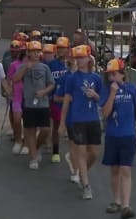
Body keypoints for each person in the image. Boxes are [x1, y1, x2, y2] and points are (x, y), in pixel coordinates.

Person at [100, 59, 136, 219]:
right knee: (115, 169)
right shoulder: (106, 90)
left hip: (128, 135)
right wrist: (112, 94)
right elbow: (105, 114)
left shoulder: (131, 89)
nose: (111, 77)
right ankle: (116, 200)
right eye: (109, 74)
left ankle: (126, 205)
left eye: (114, 74)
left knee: (126, 169)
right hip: (112, 135)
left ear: (122, 74)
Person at [59, 45, 102, 200]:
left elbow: (102, 99)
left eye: (82, 57)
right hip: (78, 119)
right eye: (77, 58)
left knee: (95, 153)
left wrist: (96, 95)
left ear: (89, 58)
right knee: (82, 152)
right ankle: (86, 185)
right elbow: (66, 101)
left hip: (93, 119)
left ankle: (83, 174)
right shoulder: (72, 78)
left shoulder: (96, 78)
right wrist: (62, 123)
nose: (79, 61)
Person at [12, 41, 55, 170]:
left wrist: (44, 92)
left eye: (38, 51)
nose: (36, 53)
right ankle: (33, 157)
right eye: (33, 51)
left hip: (43, 103)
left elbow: (51, 84)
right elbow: (15, 79)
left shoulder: (45, 67)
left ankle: (35, 147)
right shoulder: (23, 66)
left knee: (46, 130)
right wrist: (26, 68)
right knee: (30, 130)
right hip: (29, 104)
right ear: (28, 53)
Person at [54, 51, 79, 183]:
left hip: (86, 117)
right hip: (71, 116)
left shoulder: (88, 76)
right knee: (74, 144)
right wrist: (68, 98)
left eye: (76, 58)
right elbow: (56, 97)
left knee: (86, 148)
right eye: (71, 58)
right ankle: (76, 171)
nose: (74, 60)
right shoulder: (64, 78)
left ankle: (77, 163)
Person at [46, 37, 69, 163]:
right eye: (58, 48)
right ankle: (55, 151)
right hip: (54, 100)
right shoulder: (51, 65)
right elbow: (47, 82)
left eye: (63, 48)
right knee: (55, 126)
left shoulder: (71, 64)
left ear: (67, 49)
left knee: (67, 126)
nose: (60, 50)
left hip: (69, 100)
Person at [2, 32, 29, 138]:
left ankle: (22, 132)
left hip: (25, 89)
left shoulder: (26, 53)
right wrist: (6, 88)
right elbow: (6, 72)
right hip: (11, 86)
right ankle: (14, 130)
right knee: (12, 108)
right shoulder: (7, 56)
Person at [7, 40, 29, 155]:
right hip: (17, 97)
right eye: (24, 53)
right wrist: (8, 91)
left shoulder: (33, 65)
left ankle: (26, 143)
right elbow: (10, 79)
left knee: (27, 121)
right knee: (16, 120)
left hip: (28, 97)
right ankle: (18, 140)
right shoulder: (14, 65)